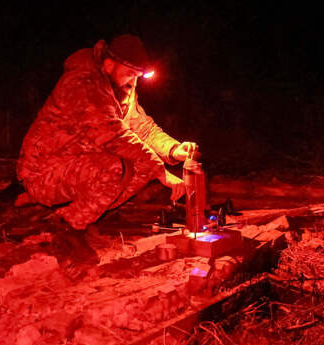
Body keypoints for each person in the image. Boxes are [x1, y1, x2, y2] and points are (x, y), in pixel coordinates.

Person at [17, 34, 198, 229]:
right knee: (117, 168)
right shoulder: (82, 83)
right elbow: (112, 134)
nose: (133, 82)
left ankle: (70, 214)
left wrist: (173, 149)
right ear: (110, 65)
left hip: (74, 161)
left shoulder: (120, 86)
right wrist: (159, 170)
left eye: (137, 76)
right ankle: (68, 226)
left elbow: (141, 127)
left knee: (142, 167)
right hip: (42, 170)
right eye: (130, 74)